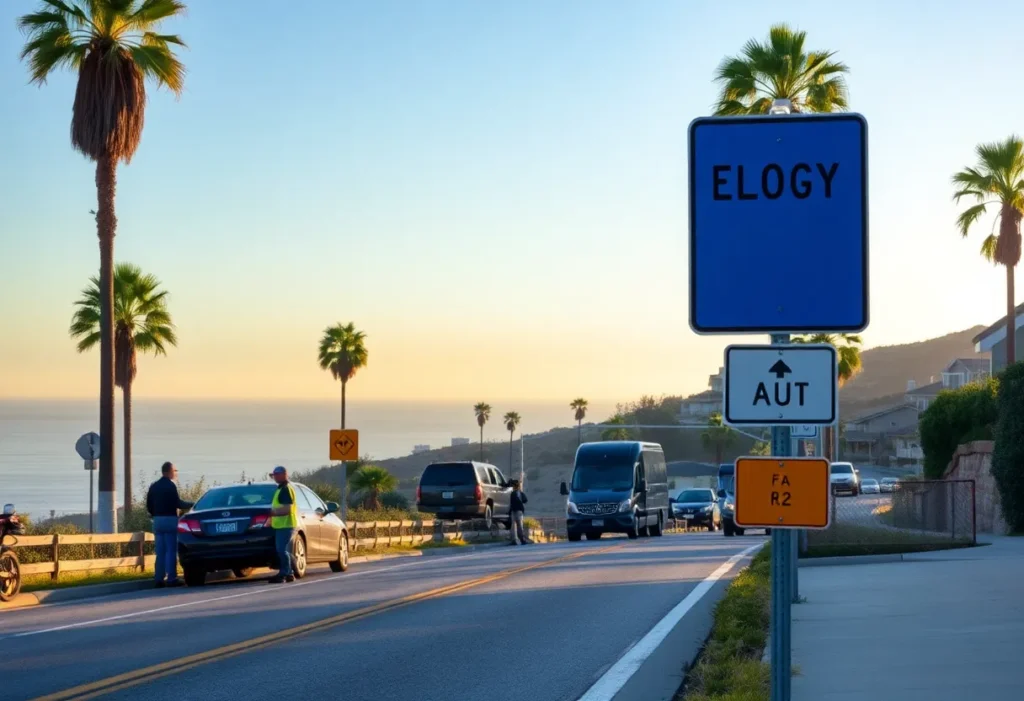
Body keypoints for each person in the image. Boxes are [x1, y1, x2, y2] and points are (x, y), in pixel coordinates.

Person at [146, 461, 194, 588]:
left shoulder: (154, 486)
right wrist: (192, 504)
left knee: (160, 551)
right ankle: (172, 578)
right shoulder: (171, 486)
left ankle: (158, 578)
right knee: (171, 550)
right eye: (174, 471)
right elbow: (178, 503)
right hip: (170, 520)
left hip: (157, 520)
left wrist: (155, 514)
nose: (175, 473)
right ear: (168, 472)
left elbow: (149, 505)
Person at [269, 466, 298, 583]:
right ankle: (290, 573)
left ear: (283, 475)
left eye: (276, 475)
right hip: (281, 525)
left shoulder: (285, 489)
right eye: (273, 475)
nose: (274, 477)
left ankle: (284, 573)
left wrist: (272, 513)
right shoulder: (281, 489)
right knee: (283, 550)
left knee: (281, 550)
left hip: (286, 525)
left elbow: (287, 509)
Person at [508, 479, 532, 546]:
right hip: (519, 511)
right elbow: (525, 500)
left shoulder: (512, 493)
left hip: (514, 511)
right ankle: (522, 540)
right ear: (518, 486)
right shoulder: (519, 493)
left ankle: (514, 540)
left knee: (513, 526)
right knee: (519, 526)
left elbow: (511, 503)